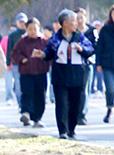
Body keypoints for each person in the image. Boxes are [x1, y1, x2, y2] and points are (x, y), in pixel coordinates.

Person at [34, 9, 94, 140]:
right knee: (61, 103)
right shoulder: (56, 38)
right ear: (65, 23)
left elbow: (90, 50)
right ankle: (63, 131)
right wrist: (42, 55)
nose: (76, 23)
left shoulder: (80, 37)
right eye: (74, 21)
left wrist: (82, 49)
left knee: (75, 104)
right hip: (60, 74)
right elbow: (49, 52)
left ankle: (71, 128)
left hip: (77, 74)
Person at [11, 18, 51, 127]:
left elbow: (50, 54)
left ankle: (37, 118)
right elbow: (14, 53)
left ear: (39, 28)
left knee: (40, 96)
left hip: (41, 72)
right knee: (27, 93)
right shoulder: (22, 42)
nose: (32, 31)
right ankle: (26, 113)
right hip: (26, 72)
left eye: (35, 29)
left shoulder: (44, 41)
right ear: (26, 29)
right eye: (30, 29)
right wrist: (22, 59)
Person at [76, 8, 96, 125]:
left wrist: (84, 51)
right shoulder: (70, 31)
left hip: (87, 63)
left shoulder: (91, 31)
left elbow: (95, 47)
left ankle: (82, 115)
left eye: (81, 17)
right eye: (77, 18)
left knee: (84, 89)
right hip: (73, 64)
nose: (79, 20)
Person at [5, 13, 28, 107]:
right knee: (18, 86)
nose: (22, 24)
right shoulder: (12, 35)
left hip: (29, 63)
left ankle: (27, 105)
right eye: (20, 22)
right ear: (17, 22)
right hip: (16, 64)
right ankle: (21, 105)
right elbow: (9, 50)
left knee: (27, 85)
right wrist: (8, 63)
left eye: (23, 22)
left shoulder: (30, 33)